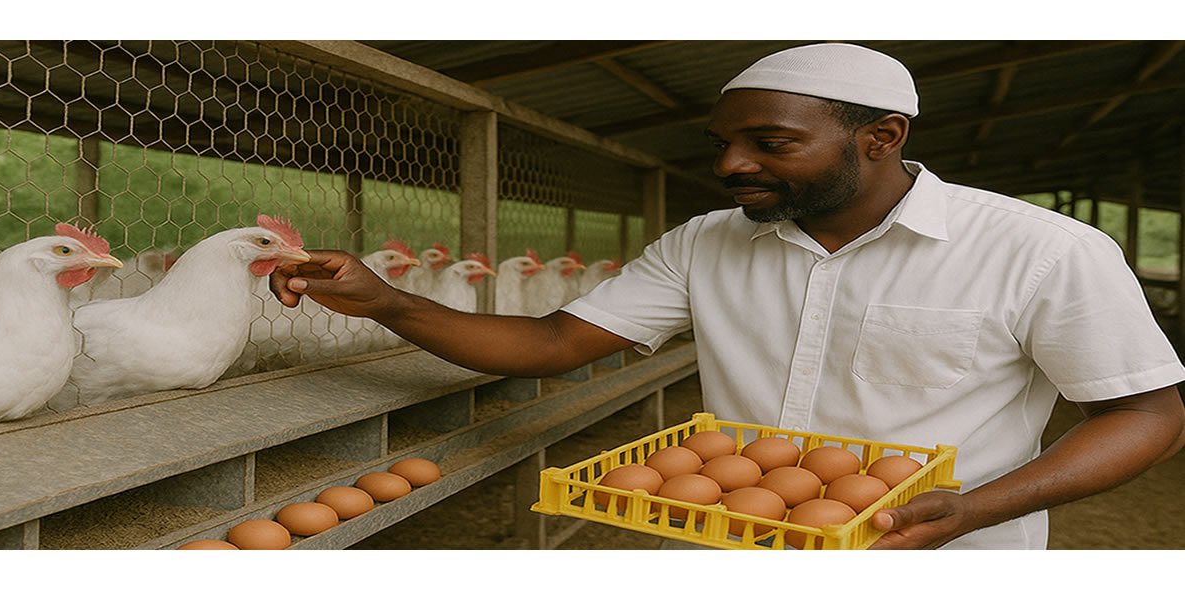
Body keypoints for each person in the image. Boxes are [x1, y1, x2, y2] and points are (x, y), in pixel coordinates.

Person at [269, 43, 1185, 549]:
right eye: (724, 142)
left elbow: (1148, 413)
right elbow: (551, 344)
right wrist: (390, 303)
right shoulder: (707, 242)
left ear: (880, 138)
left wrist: (976, 509)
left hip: (944, 557)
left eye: (770, 143)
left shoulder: (1041, 250)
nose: (730, 164)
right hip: (740, 550)